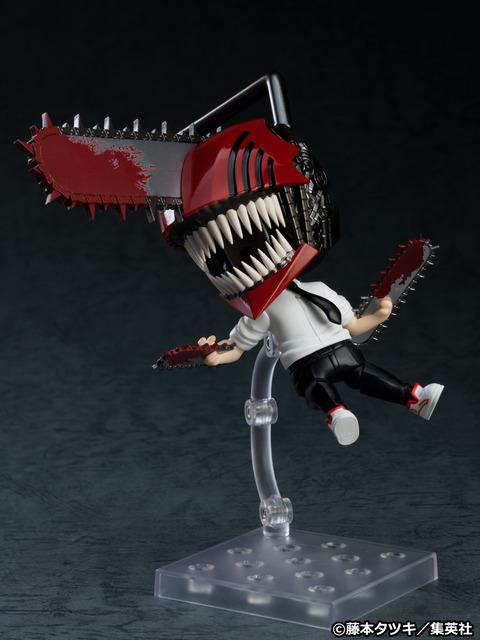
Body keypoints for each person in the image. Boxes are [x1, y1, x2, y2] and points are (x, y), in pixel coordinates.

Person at [199, 279, 444, 446]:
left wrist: (379, 315)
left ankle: (414, 398)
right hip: (305, 362)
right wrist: (216, 355)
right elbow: (238, 346)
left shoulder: (319, 288)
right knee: (316, 385)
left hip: (343, 350)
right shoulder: (261, 310)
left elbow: (354, 326)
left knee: (361, 372)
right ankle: (337, 413)